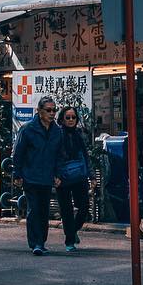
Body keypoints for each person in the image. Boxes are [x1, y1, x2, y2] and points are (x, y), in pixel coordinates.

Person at [12, 95, 62, 255]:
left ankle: (41, 241)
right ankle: (36, 243)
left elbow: (59, 155)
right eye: (48, 110)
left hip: (47, 177)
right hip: (30, 176)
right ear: (39, 111)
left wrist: (57, 174)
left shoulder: (57, 131)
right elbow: (17, 153)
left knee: (44, 210)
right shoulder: (27, 130)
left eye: (54, 110)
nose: (52, 113)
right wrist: (17, 174)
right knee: (34, 209)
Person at [55, 106, 91, 252]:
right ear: (62, 119)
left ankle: (73, 230)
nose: (71, 120)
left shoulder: (80, 135)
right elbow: (53, 156)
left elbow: (86, 156)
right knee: (66, 210)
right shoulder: (57, 135)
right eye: (68, 117)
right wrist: (55, 175)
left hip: (79, 176)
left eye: (73, 117)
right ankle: (69, 240)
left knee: (83, 207)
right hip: (62, 176)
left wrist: (91, 175)